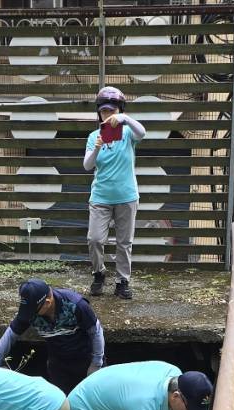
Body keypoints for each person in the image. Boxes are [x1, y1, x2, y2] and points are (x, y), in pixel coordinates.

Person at [83, 85, 146, 300]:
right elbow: (87, 166)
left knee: (124, 242)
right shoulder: (94, 136)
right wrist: (97, 148)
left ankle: (122, 281)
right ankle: (99, 273)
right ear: (98, 112)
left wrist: (125, 119)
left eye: (112, 110)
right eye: (104, 111)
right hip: (100, 197)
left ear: (119, 110)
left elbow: (143, 132)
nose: (108, 114)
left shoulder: (128, 132)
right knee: (95, 239)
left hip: (127, 196)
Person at [0, 279, 105, 393]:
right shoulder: (29, 312)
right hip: (58, 363)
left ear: (47, 303)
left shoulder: (76, 305)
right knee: (63, 401)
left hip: (86, 358)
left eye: (33, 311)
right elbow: (10, 334)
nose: (30, 315)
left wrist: (96, 363)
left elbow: (95, 332)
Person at [67, 361, 214, 410]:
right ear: (175, 396)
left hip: (103, 388)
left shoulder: (173, 371)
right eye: (189, 409)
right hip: (84, 407)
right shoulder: (145, 406)